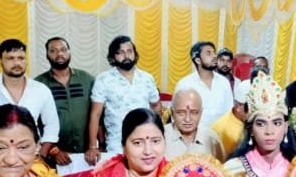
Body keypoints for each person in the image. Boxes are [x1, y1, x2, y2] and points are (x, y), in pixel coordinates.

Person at [0, 38, 60, 162]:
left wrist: (41, 156)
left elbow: (52, 125)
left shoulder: (41, 90)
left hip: (30, 160)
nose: (17, 63)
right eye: (10, 58)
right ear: (1, 61)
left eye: (21, 58)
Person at [86, 36, 161, 164]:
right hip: (117, 143)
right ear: (113, 57)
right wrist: (93, 146)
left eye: (129, 51)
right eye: (120, 52)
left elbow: (156, 106)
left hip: (145, 142)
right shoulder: (103, 79)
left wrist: (158, 133)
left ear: (135, 54)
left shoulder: (147, 78)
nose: (126, 55)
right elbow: (95, 114)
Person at [35, 37, 94, 163]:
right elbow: (34, 124)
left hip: (87, 155)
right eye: (53, 51)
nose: (59, 54)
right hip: (54, 157)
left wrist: (96, 146)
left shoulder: (87, 80)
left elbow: (98, 116)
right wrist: (53, 150)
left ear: (69, 52)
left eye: (63, 49)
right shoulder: (38, 85)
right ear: (47, 55)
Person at [172, 41, 233, 126]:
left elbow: (229, 112)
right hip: (195, 136)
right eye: (209, 53)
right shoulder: (184, 84)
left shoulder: (224, 82)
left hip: (220, 137)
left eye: (214, 52)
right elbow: (177, 116)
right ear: (198, 60)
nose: (215, 56)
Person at [164, 87, 226, 161]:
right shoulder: (161, 136)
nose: (187, 119)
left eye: (194, 113)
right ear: (172, 112)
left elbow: (220, 169)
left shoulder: (211, 138)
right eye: (181, 113)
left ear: (201, 112)